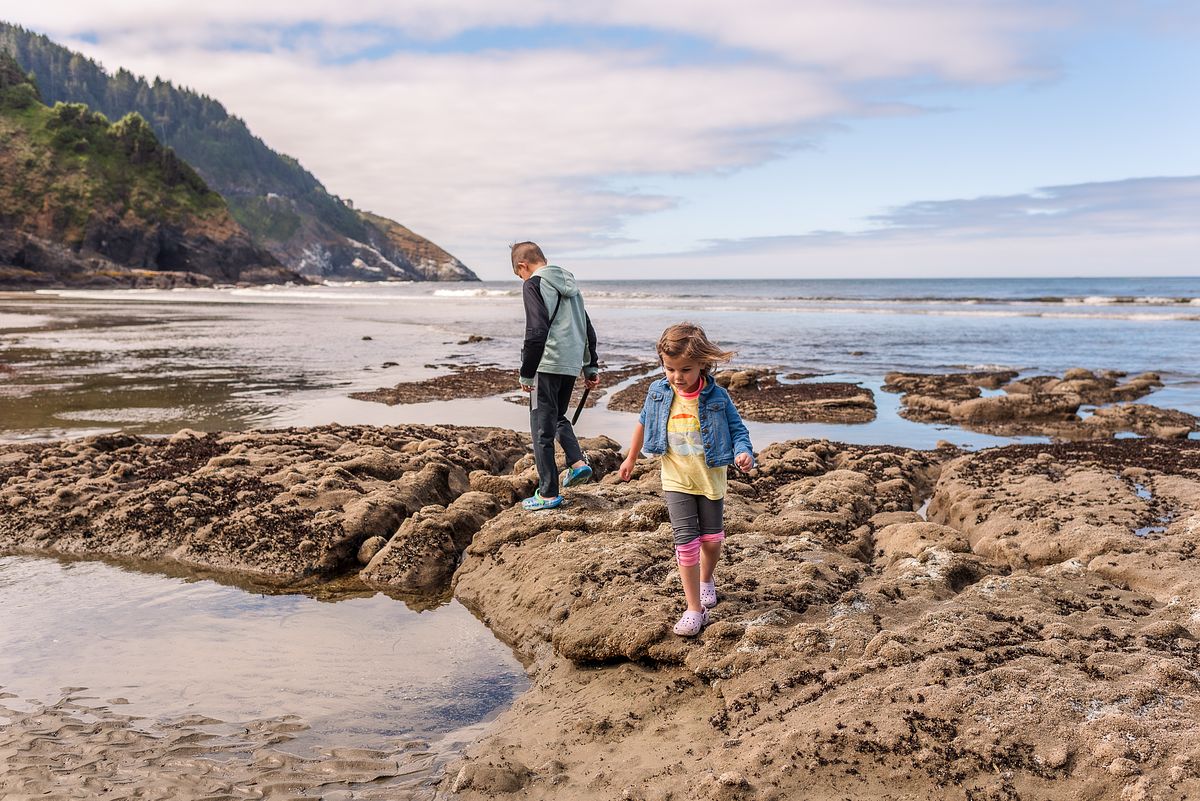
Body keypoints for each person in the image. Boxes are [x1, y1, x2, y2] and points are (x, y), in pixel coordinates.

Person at [617, 323, 754, 636]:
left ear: (702, 364)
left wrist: (744, 453)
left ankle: (707, 578)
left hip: (710, 480)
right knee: (687, 542)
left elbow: (738, 432)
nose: (677, 376)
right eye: (670, 369)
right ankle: (694, 609)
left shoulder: (717, 397)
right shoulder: (658, 393)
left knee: (712, 540)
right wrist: (631, 457)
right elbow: (642, 423)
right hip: (676, 479)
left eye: (686, 369)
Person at [512, 241, 600, 511]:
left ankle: (548, 493)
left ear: (522, 266)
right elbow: (588, 328)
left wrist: (527, 373)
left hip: (547, 364)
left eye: (520, 275)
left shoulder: (534, 285)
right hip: (570, 364)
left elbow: (536, 332)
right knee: (557, 417)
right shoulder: (572, 286)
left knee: (541, 429)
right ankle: (577, 463)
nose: (522, 279)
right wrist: (590, 366)